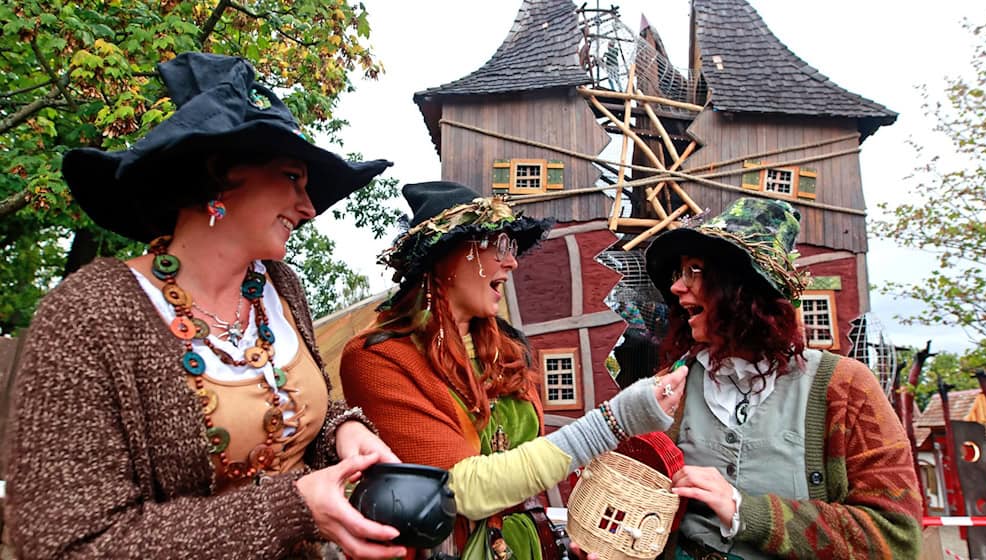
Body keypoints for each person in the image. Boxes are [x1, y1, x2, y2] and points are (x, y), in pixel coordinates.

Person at [5, 52, 409, 560]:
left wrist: (342, 431)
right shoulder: (89, 314)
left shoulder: (278, 287)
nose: (308, 208)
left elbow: (293, 413)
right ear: (219, 173)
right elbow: (66, 545)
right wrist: (291, 508)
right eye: (292, 177)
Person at [340, 181, 688, 560]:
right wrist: (614, 421)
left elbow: (528, 471)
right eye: (502, 245)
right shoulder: (379, 359)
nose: (513, 262)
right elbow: (460, 491)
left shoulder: (507, 350)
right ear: (448, 255)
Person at [643, 198, 922, 559]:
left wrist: (746, 511)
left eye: (695, 271)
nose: (678, 288)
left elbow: (897, 539)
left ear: (745, 288)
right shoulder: (671, 386)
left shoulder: (847, 388)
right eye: (678, 275)